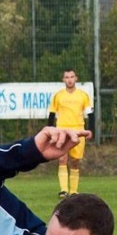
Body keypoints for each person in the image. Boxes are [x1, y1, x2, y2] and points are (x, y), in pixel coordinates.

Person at [47, 69, 92, 198]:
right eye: (67, 77)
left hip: (78, 130)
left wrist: (89, 130)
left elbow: (90, 114)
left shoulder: (83, 95)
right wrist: (50, 131)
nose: (69, 79)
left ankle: (73, 191)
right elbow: (52, 114)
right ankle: (63, 190)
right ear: (63, 80)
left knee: (75, 161)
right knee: (62, 159)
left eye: (72, 77)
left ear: (76, 78)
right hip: (62, 130)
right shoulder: (58, 96)